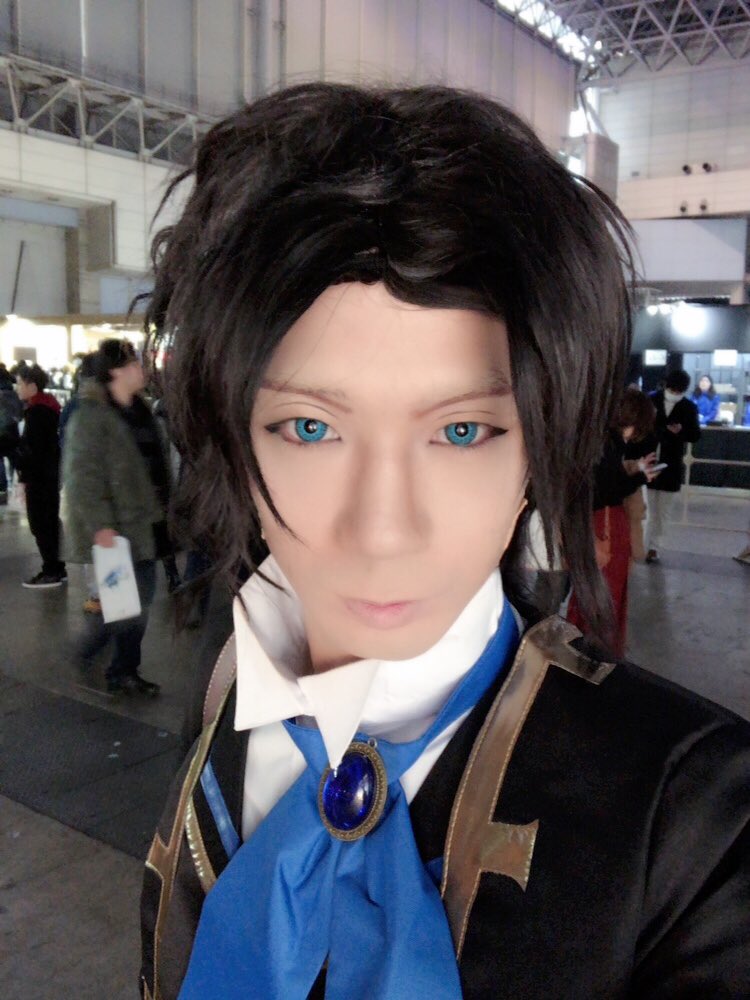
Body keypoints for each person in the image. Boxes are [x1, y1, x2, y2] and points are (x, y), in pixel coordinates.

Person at [140, 84, 750, 1000]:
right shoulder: (228, 685)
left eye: (462, 431)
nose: (384, 530)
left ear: (538, 453)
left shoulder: (697, 815)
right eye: (310, 428)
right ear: (233, 439)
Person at [63, 339, 167, 696]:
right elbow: (82, 477)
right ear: (115, 372)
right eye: (134, 363)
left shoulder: (140, 410)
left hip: (144, 524)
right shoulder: (91, 416)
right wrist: (101, 527)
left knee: (136, 603)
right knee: (123, 606)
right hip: (116, 531)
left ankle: (120, 667)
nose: (142, 369)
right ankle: (98, 659)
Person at [567, 388, 659, 657]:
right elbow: (609, 491)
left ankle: (582, 648)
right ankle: (597, 652)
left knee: (592, 590)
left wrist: (637, 469)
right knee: (608, 590)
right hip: (606, 521)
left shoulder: (597, 440)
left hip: (593, 521)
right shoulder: (610, 445)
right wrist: (641, 477)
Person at [13, 363, 67, 587]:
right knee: (49, 520)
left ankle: (51, 569)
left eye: (20, 383)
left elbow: (32, 451)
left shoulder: (37, 412)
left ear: (32, 386)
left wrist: (23, 476)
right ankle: (56, 566)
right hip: (49, 474)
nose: (17, 388)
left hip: (40, 477)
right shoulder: (48, 407)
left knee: (41, 522)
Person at [644, 369, 700, 564]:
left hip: (671, 465)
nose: (675, 394)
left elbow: (695, 435)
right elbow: (641, 425)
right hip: (649, 460)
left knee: (663, 511)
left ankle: (654, 547)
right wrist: (661, 429)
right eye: (673, 390)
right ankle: (642, 544)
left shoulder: (689, 407)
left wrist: (680, 432)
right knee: (647, 509)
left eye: (679, 391)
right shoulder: (651, 400)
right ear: (666, 386)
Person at [0, 364, 22, 502]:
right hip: (13, 431)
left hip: (1, 431)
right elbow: (20, 413)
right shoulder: (14, 394)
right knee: (15, 458)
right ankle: (22, 482)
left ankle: (2, 489)